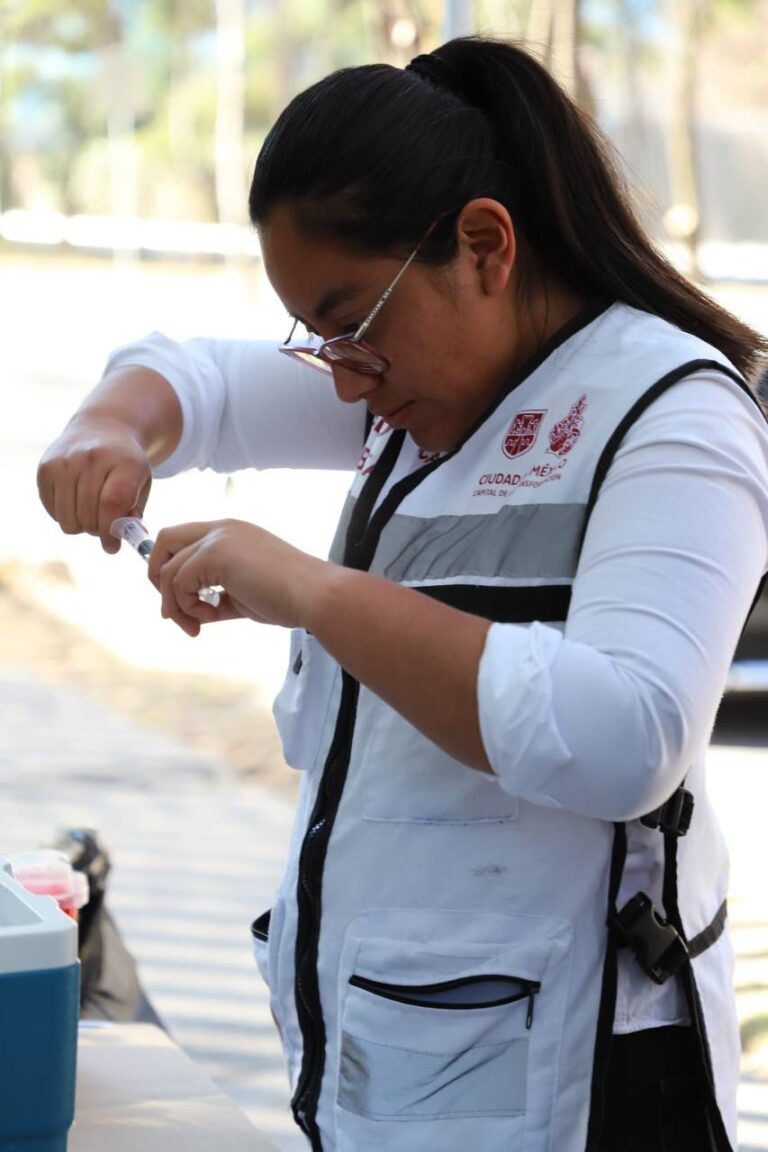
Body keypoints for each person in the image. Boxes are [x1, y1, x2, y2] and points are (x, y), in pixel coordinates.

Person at [37, 36, 768, 1152]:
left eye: (352, 326)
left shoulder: (674, 415)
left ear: (483, 245)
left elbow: (633, 732)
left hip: (579, 1090)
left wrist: (314, 593)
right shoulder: (419, 377)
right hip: (414, 1078)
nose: (340, 378)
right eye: (318, 339)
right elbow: (196, 377)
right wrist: (110, 429)